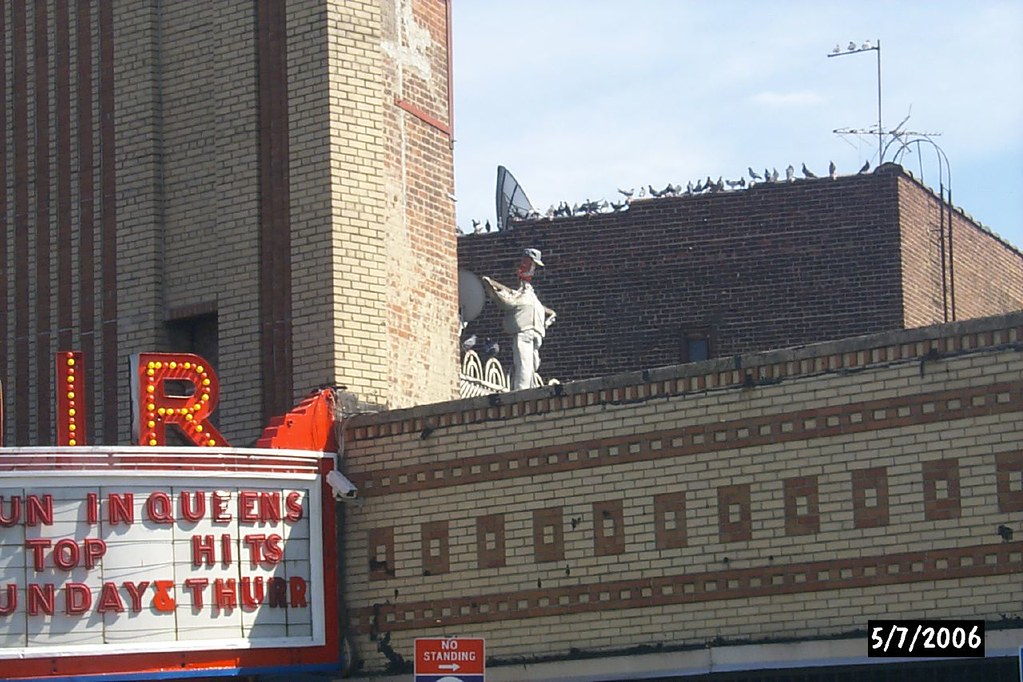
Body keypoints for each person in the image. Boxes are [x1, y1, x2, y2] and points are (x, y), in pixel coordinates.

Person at [481, 248, 556, 390]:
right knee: (524, 367)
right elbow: (506, 302)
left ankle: (530, 390)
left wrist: (547, 320)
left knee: (532, 366)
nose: (533, 270)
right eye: (531, 264)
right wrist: (492, 290)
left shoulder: (531, 296)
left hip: (536, 334)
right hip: (524, 332)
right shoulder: (520, 294)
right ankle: (523, 393)